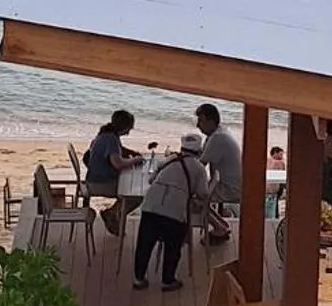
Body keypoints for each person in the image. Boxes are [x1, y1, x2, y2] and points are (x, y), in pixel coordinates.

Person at [133, 131, 208, 290]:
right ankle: (168, 280)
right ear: (199, 152)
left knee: (144, 244)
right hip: (175, 208)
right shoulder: (199, 168)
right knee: (173, 246)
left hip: (151, 204)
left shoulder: (168, 161)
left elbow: (152, 179)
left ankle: (139, 279)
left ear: (182, 148)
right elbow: (203, 193)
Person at [84, 109, 143, 232]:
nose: (128, 133)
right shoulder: (110, 138)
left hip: (95, 178)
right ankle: (112, 213)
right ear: (123, 126)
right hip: (99, 184)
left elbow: (118, 149)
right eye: (129, 129)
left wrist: (130, 152)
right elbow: (118, 164)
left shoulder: (106, 134)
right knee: (136, 195)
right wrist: (135, 161)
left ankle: (114, 213)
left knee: (133, 185)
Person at [194, 102, 242, 242]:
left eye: (201, 120)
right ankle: (221, 224)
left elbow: (199, 165)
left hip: (229, 187)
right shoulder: (219, 133)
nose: (198, 125)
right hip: (224, 182)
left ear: (211, 121)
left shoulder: (218, 138)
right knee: (199, 195)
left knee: (191, 199)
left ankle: (219, 228)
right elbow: (201, 156)